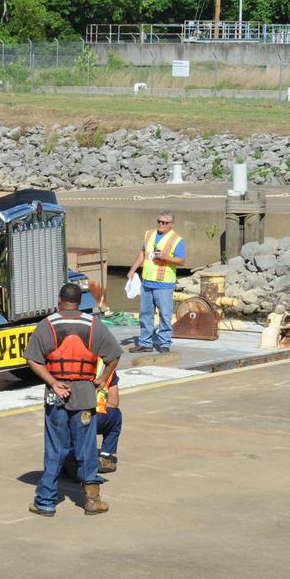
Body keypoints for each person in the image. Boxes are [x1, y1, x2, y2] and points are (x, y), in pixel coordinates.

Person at [24, 282, 122, 517]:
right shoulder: (93, 325)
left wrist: (53, 382)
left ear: (60, 300)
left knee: (55, 448)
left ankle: (45, 502)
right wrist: (102, 379)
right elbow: (114, 355)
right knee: (86, 448)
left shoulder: (48, 324)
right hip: (85, 395)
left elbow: (32, 359)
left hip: (56, 395)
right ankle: (92, 500)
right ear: (79, 302)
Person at [128, 211, 186, 354]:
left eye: (164, 222)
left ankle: (165, 343)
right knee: (145, 315)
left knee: (165, 315)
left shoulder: (176, 240)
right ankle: (145, 343)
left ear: (171, 224)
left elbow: (181, 261)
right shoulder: (149, 234)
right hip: (147, 282)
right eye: (159, 221)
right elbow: (142, 254)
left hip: (164, 284)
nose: (160, 224)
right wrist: (132, 270)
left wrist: (166, 257)